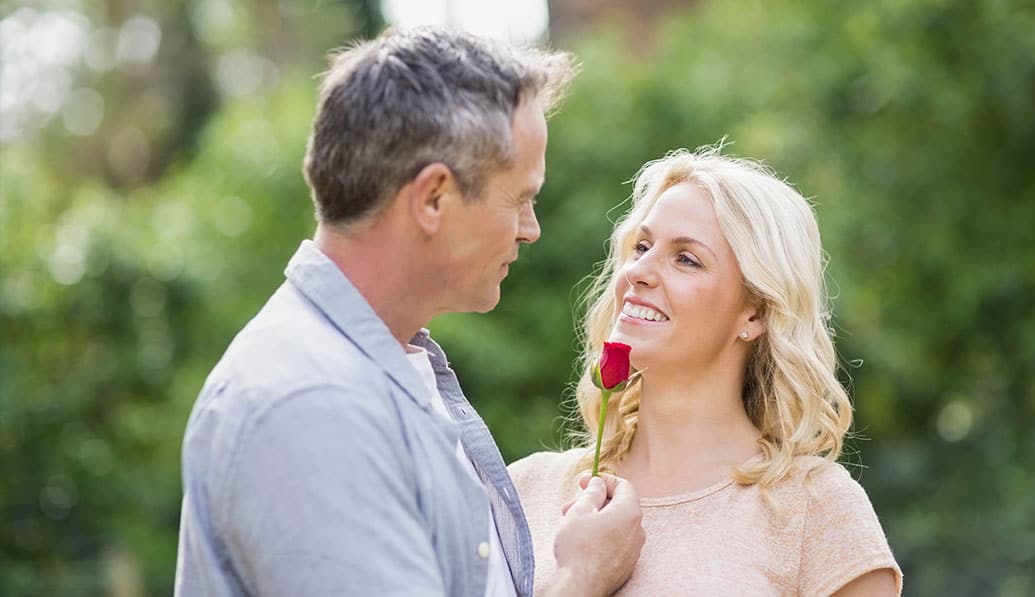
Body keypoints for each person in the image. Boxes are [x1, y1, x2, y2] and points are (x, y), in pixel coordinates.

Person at [175, 27, 644, 597]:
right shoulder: (310, 405)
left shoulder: (393, 370)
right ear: (433, 199)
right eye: (521, 198)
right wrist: (582, 580)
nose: (531, 229)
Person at [509, 146, 903, 596]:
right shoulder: (525, 491)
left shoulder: (816, 510)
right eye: (642, 246)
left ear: (754, 314)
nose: (638, 270)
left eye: (686, 259)